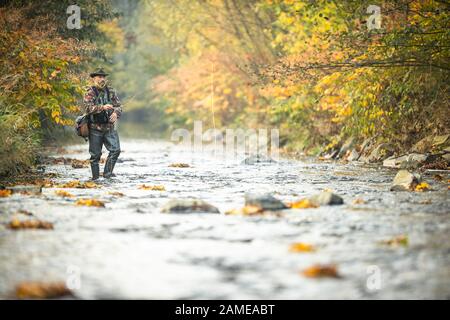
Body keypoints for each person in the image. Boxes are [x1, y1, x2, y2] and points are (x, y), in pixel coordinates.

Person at [83, 68, 122, 180]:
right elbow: (87, 108)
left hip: (109, 127)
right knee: (95, 156)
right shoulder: (89, 92)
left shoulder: (111, 91)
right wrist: (102, 107)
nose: (102, 79)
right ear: (94, 78)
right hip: (94, 128)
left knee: (116, 150)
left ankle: (107, 175)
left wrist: (116, 113)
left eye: (103, 77)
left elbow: (119, 106)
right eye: (99, 77)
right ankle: (95, 179)